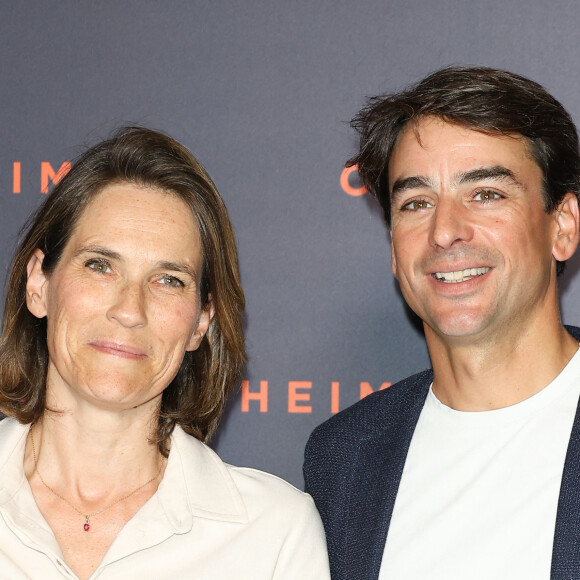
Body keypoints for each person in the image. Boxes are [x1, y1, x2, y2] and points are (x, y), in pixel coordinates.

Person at [0, 127, 330, 579]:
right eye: (100, 265)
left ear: (201, 321)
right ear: (39, 283)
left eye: (168, 279)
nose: (129, 310)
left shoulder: (274, 535)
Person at [303, 66, 580, 580]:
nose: (445, 231)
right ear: (393, 251)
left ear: (561, 226)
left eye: (486, 194)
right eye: (416, 203)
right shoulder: (342, 459)